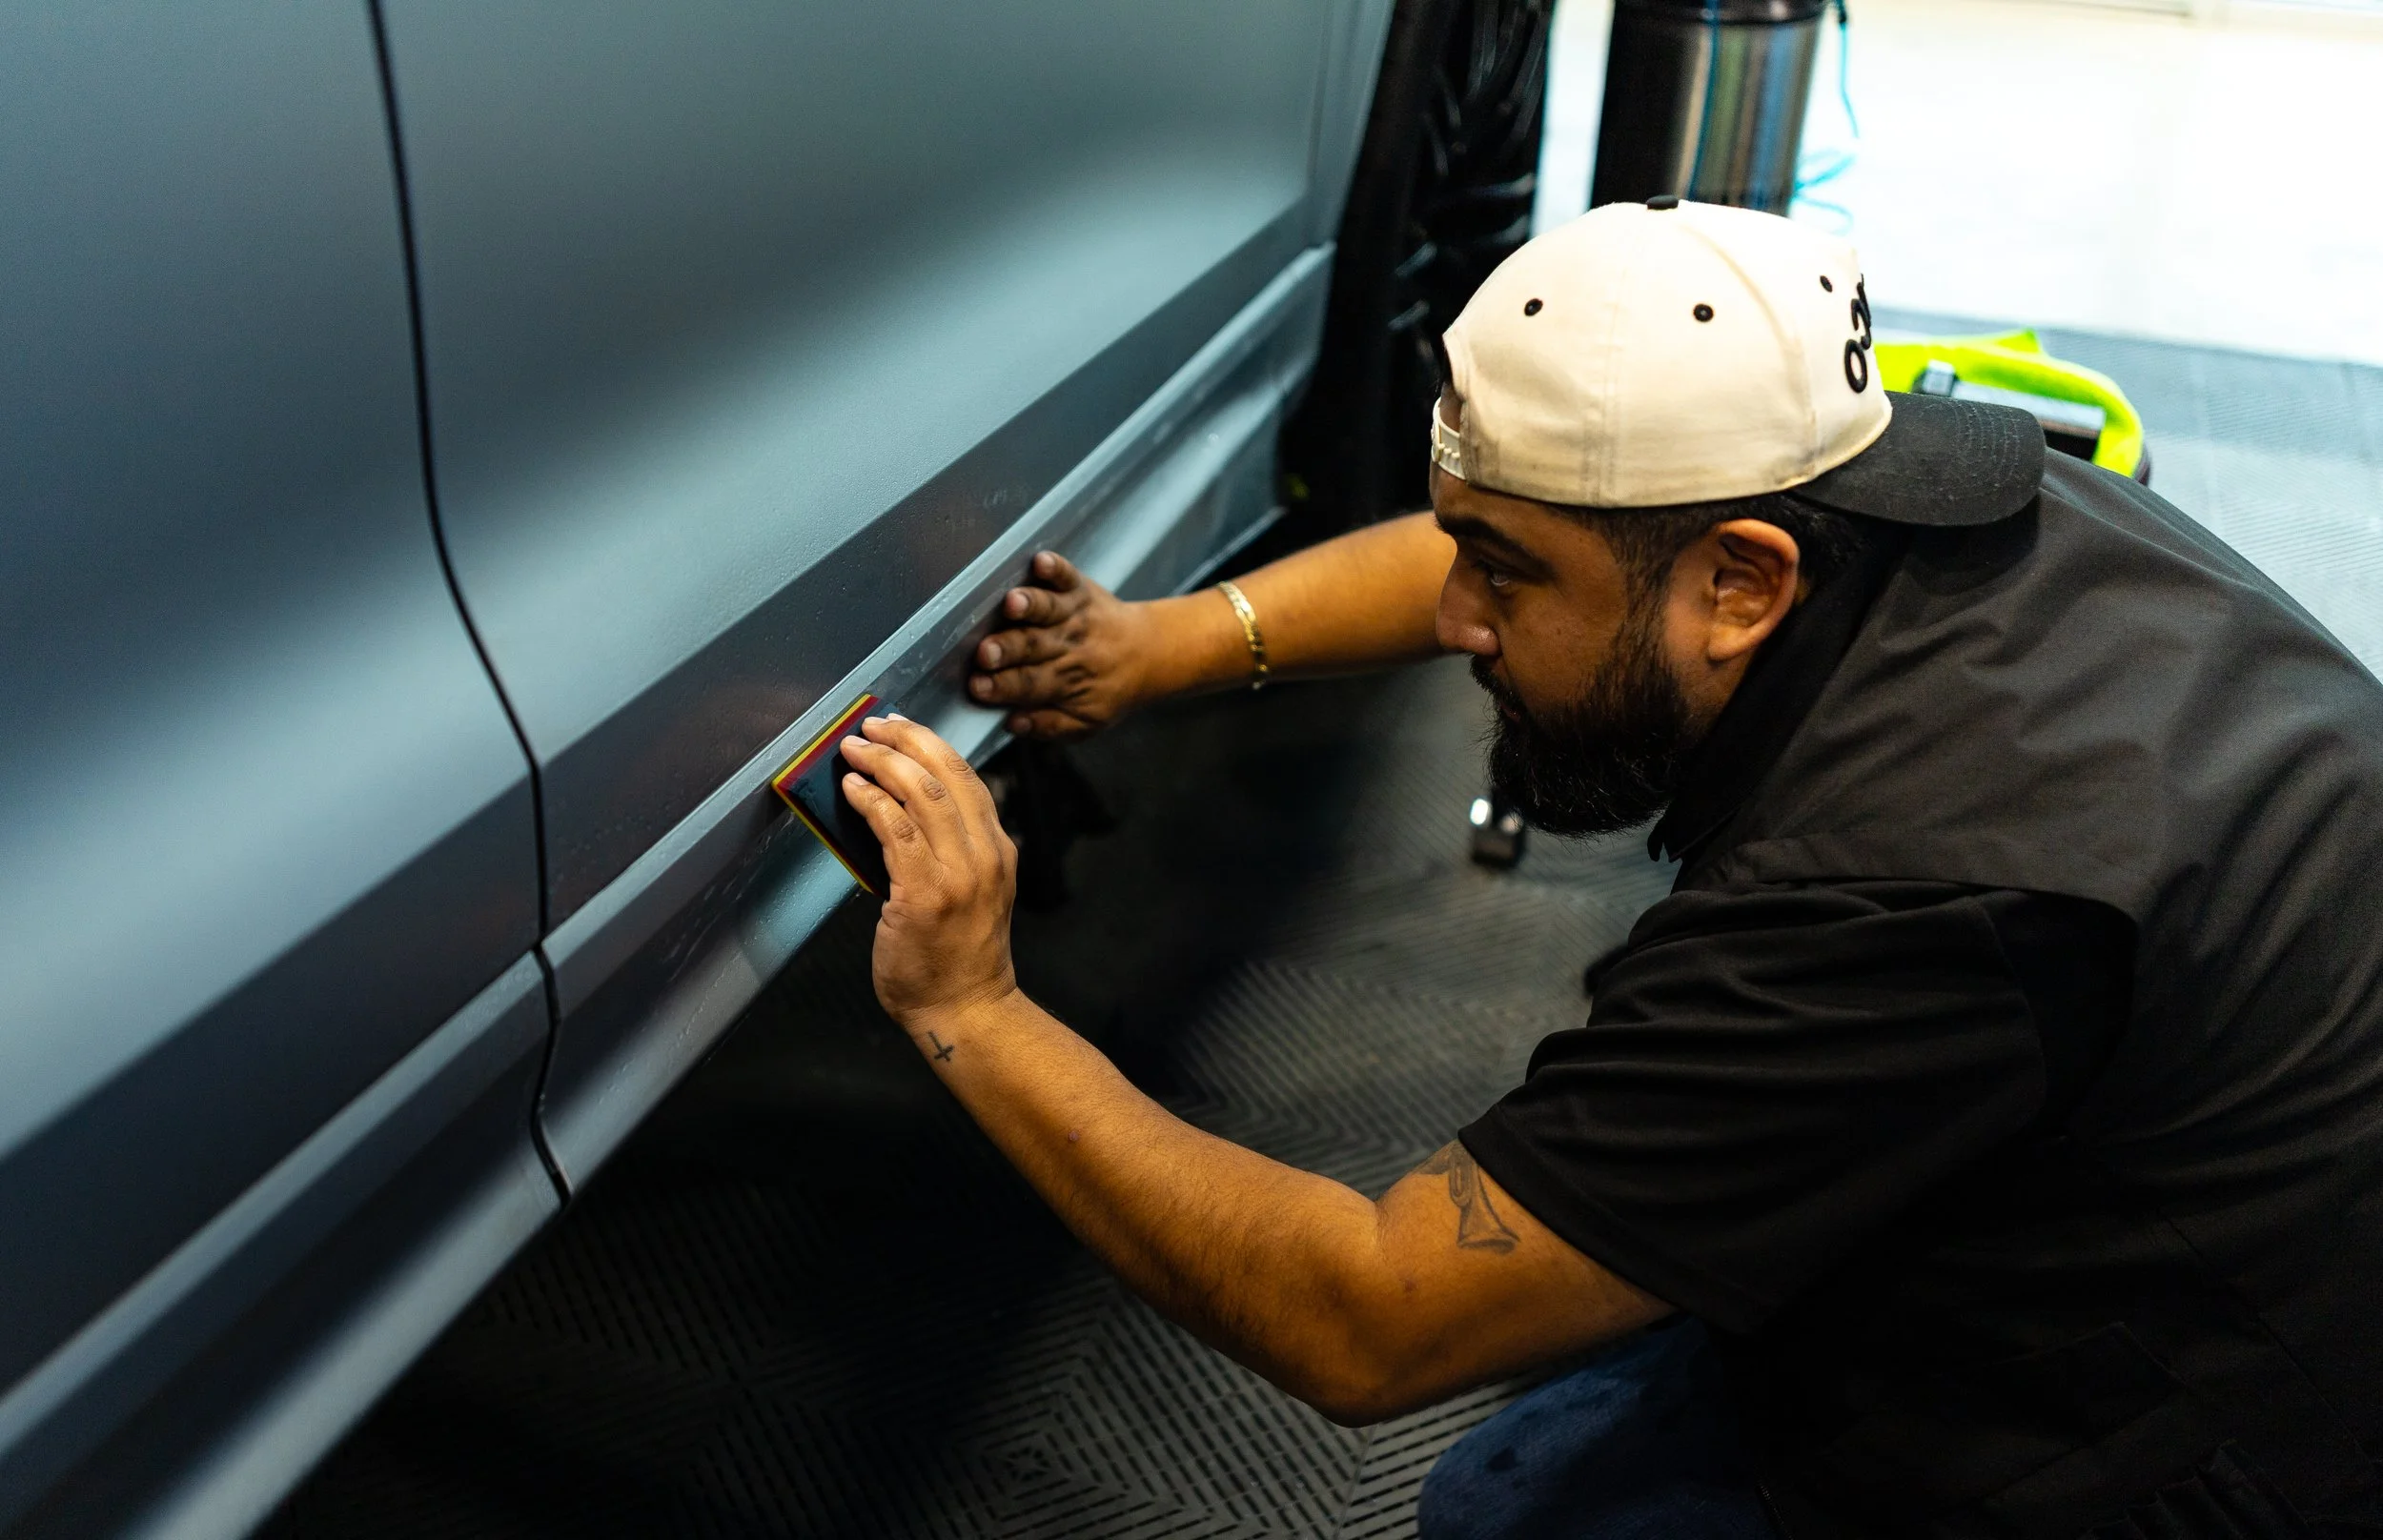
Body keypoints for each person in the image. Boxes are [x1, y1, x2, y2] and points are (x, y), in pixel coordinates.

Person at [825, 200, 2383, 1538]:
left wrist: (976, 1004)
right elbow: (1537, 538)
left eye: (1501, 580)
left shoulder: (1907, 902)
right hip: (2205, 1171)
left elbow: (1369, 1320)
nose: (1454, 623)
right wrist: (1163, 643)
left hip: (2178, 1442)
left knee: (1517, 1501)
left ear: (1743, 582)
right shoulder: (1943, 495)